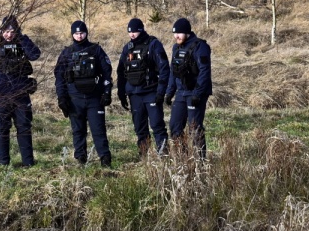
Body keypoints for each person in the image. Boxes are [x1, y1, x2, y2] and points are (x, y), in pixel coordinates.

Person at [0, 15, 41, 167]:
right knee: (2, 129)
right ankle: (3, 164)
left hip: (21, 94)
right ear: (1, 30)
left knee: (24, 128)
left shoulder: (22, 43)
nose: (9, 34)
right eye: (6, 31)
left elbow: (35, 55)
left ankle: (28, 163)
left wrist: (22, 39)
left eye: (12, 31)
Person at [54, 21, 114, 167]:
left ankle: (105, 159)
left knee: (98, 130)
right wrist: (62, 98)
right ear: (72, 34)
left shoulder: (96, 50)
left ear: (86, 33)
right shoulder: (67, 53)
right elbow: (59, 77)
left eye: (81, 33)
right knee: (78, 131)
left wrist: (107, 92)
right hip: (74, 99)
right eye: (76, 33)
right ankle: (81, 159)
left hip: (94, 98)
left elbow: (107, 72)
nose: (79, 36)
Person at [117, 18, 170, 158]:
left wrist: (161, 92)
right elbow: (121, 72)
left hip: (151, 92)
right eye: (129, 32)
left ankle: (164, 155)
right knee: (140, 128)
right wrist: (121, 93)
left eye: (134, 31)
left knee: (157, 125)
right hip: (134, 95)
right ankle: (144, 156)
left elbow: (164, 69)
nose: (132, 34)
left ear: (141, 30)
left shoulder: (153, 44)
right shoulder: (127, 48)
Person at [165, 17, 212, 158]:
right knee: (175, 126)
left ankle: (200, 162)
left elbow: (205, 71)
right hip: (181, 92)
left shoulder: (200, 46)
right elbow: (173, 72)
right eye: (174, 33)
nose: (176, 36)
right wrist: (169, 92)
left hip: (195, 93)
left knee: (194, 128)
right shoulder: (176, 48)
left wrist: (198, 93)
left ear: (187, 32)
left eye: (179, 33)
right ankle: (183, 160)